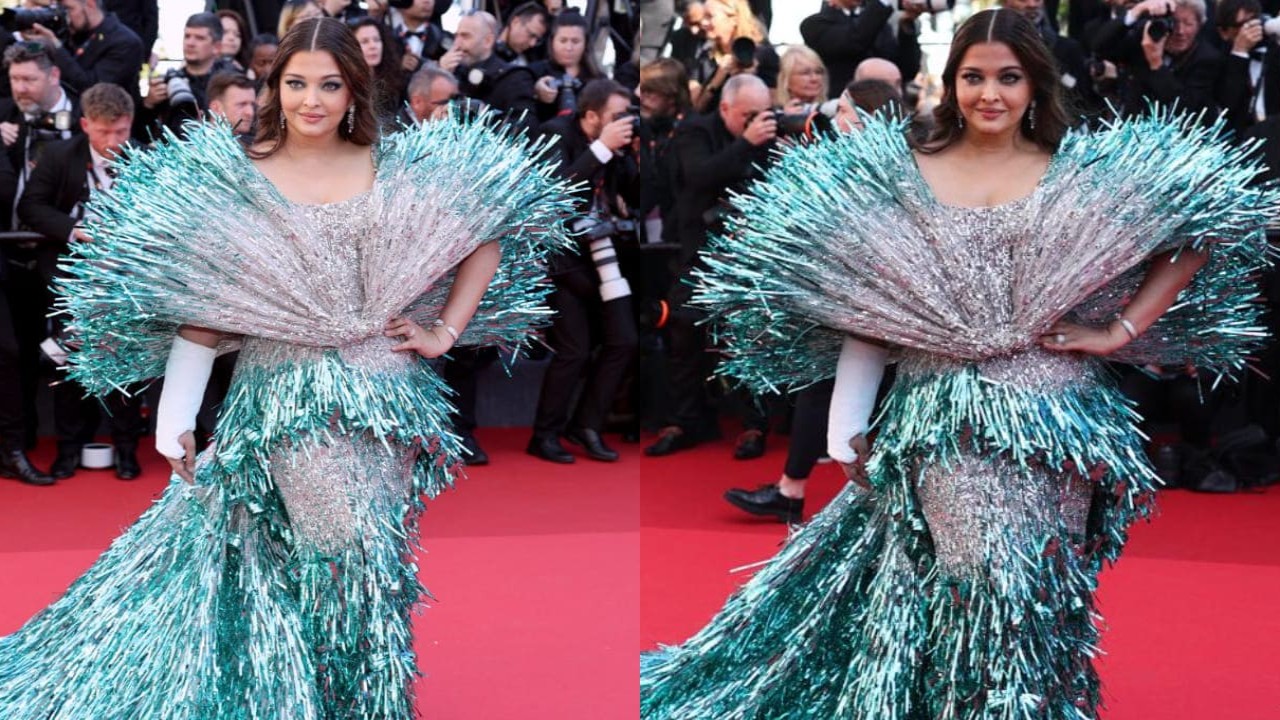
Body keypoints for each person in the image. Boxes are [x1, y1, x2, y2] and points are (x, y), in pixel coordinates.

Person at [641, 9, 1273, 716]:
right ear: (951, 83)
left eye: (1009, 77)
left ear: (1036, 84)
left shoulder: (1080, 171)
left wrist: (1121, 330)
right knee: (986, 582)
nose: (990, 94)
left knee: (1043, 590)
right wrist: (845, 421)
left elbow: (1204, 224)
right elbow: (871, 304)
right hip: (944, 424)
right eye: (974, 77)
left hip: (1060, 423)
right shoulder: (905, 173)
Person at [0, 17, 572, 717]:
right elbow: (206, 304)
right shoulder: (245, 178)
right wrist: (175, 415)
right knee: (347, 554)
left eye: (329, 84)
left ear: (354, 89)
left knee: (374, 558)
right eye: (296, 83)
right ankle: (356, 703)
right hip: (285, 400)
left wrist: (445, 332)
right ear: (274, 89)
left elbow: (486, 225)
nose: (312, 100)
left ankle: (337, 695)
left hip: (387, 395)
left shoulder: (392, 165)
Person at [16, 82, 145, 481]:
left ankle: (126, 448)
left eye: (121, 131)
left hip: (127, 281)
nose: (114, 141)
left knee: (128, 367)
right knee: (68, 367)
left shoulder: (144, 157)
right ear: (86, 124)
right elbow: (30, 206)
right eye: (105, 132)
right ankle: (69, 448)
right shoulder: (58, 155)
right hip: (71, 280)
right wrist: (74, 229)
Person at [644, 74, 777, 460]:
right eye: (748, 115)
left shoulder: (767, 136)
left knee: (749, 340)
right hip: (698, 251)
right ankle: (682, 421)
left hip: (750, 253)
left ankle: (754, 425)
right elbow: (697, 177)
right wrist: (746, 144)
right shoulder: (694, 133)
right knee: (684, 335)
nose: (756, 122)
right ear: (725, 109)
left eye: (762, 114)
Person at [526, 79, 641, 464]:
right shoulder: (554, 134)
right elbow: (555, 194)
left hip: (608, 259)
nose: (624, 123)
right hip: (564, 260)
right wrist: (601, 149)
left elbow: (635, 195)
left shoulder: (621, 146)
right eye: (616, 117)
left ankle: (587, 424)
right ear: (590, 116)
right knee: (573, 350)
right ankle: (545, 435)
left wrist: (635, 156)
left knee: (624, 340)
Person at [141, 12, 239, 137]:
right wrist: (148, 104)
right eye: (187, 36)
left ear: (217, 47)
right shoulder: (169, 82)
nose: (190, 43)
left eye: (199, 38)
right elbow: (143, 134)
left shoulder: (229, 83)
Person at [800, 0, 924, 98]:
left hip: (887, 109)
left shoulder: (879, 25)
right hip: (843, 110)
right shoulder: (813, 24)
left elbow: (906, 70)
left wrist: (907, 24)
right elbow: (854, 41)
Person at [22, 0, 145, 96]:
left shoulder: (125, 42)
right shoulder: (67, 33)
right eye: (59, 9)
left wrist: (56, 47)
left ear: (90, 4)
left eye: (68, 9)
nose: (64, 17)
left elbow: (92, 89)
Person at [690, 0, 779, 112]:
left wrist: (749, 79)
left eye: (710, 17)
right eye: (704, 17)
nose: (703, 23)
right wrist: (716, 81)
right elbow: (696, 109)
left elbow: (779, 100)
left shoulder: (763, 55)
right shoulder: (705, 57)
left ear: (733, 19)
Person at [529, 10, 605, 124]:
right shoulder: (534, 72)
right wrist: (535, 92)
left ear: (585, 43)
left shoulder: (598, 80)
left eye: (575, 41)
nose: (569, 47)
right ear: (552, 42)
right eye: (563, 41)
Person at [352, 17, 408, 128]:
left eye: (377, 40)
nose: (373, 46)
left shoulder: (395, 81)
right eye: (364, 42)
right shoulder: (346, 85)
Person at [774, 45, 828, 109]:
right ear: (786, 80)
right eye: (805, 73)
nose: (814, 78)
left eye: (818, 72)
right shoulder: (774, 116)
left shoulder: (835, 112)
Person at [496, 1, 550, 66]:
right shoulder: (484, 49)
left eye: (537, 40)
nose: (532, 44)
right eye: (531, 35)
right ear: (515, 22)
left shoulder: (530, 62)